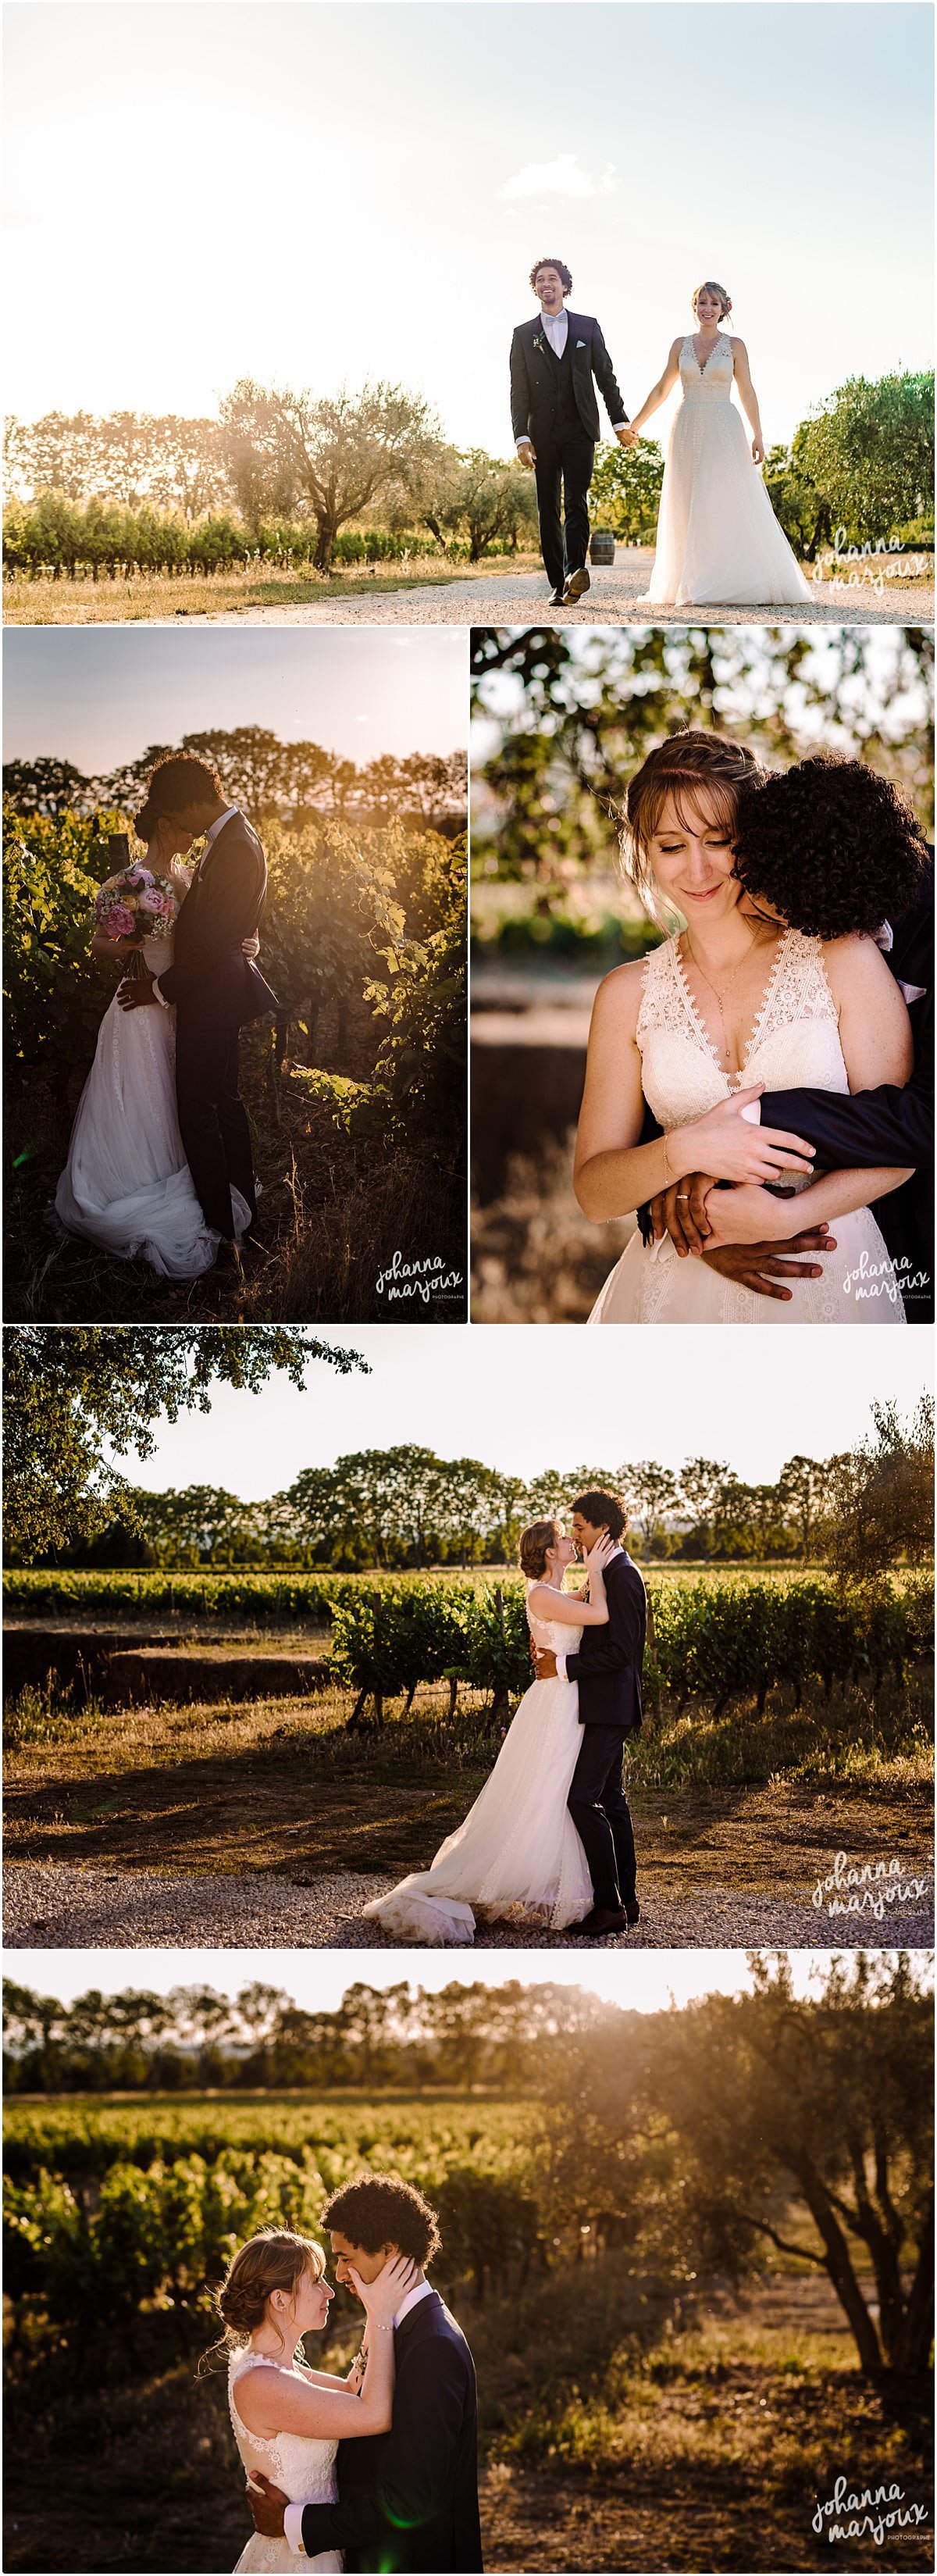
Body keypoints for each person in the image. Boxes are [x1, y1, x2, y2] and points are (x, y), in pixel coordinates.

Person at [575, 732, 914, 1324]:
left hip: (827, 1268)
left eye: (719, 841)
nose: (698, 869)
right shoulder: (624, 994)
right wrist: (684, 1153)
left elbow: (900, 1141)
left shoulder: (841, 954)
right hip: (674, 1285)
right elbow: (594, 1191)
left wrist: (786, 1215)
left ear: (751, 841)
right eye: (671, 846)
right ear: (642, 852)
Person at [53, 770, 269, 1276]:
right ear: (165, 824)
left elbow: (220, 928)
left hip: (181, 999)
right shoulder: (129, 882)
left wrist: (248, 942)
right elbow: (100, 942)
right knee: (156, 1100)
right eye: (180, 830)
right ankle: (156, 1186)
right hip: (146, 1001)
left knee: (194, 1103)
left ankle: (215, 1201)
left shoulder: (195, 872)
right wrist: (129, 945)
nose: (189, 837)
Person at [359, 1522, 618, 1943]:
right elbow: (600, 1613)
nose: (573, 1542)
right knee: (548, 1788)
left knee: (555, 1791)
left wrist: (594, 1574)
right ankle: (527, 1880)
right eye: (564, 1539)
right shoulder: (540, 1593)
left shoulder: (553, 1593)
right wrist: (598, 1568)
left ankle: (551, 1883)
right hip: (557, 1703)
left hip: (566, 1699)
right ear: (551, 1553)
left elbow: (587, 1606)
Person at [245, 2175, 483, 2574]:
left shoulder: (432, 2346)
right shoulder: (399, 2327)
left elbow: (409, 2501)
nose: (338, 2275)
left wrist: (291, 2523)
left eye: (345, 2258)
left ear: (387, 2252)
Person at [115, 752, 276, 1266]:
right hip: (217, 991)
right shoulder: (236, 837)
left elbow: (209, 942)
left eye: (174, 811)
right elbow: (228, 926)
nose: (176, 824)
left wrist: (160, 989)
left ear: (189, 802)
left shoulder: (234, 847)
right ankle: (240, 1211)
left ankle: (220, 1227)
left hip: (208, 995)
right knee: (224, 1102)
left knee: (199, 1109)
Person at [219, 2225, 414, 2572]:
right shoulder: (262, 2383)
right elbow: (375, 2415)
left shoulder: (278, 2370)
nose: (329, 2291)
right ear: (280, 2300)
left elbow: (353, 2391)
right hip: (296, 2559)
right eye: (316, 2281)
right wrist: (382, 2315)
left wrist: (373, 2310)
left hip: (315, 2543)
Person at [622, 280, 811, 606]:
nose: (706, 309)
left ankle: (732, 578)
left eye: (713, 304)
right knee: (688, 498)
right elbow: (661, 389)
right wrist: (634, 426)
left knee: (724, 497)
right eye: (701, 303)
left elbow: (747, 390)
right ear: (694, 307)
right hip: (686, 424)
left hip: (724, 425)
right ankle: (690, 581)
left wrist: (759, 434)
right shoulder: (679, 345)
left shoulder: (735, 346)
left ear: (724, 309)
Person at [531, 1490, 646, 1938]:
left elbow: (622, 1652)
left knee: (582, 1799)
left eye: (579, 1527)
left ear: (603, 1528)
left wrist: (562, 1665)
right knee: (613, 1802)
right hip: (599, 1705)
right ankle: (627, 1902)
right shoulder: (608, 1572)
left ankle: (608, 1906)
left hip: (610, 1706)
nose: (575, 1536)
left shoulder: (620, 1575)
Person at [510, 256, 629, 604]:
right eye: (541, 280)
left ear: (565, 286)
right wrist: (522, 436)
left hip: (580, 428)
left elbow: (606, 378)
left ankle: (575, 572)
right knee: (548, 507)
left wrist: (619, 422)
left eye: (553, 279)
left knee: (576, 500)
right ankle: (556, 585)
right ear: (536, 288)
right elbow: (518, 391)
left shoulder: (587, 327)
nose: (547, 284)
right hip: (542, 433)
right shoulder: (523, 335)